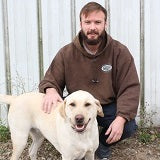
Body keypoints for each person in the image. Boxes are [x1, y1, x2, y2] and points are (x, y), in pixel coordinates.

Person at [39, 2, 140, 160]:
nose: (92, 27)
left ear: (105, 24)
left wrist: (121, 118)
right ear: (81, 24)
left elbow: (130, 87)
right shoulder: (66, 53)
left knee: (128, 126)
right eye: (88, 22)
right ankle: (72, 146)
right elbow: (51, 78)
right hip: (78, 107)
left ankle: (101, 145)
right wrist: (50, 89)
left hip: (106, 107)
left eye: (97, 22)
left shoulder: (120, 52)